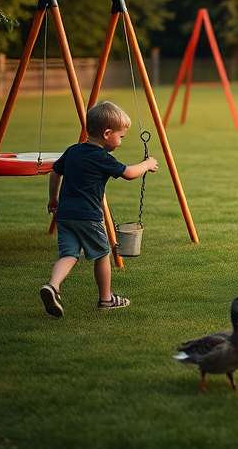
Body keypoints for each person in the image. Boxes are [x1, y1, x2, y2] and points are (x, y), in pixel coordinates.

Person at [39, 101, 159, 318]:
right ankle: (106, 299)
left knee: (69, 254)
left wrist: (53, 199)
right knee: (102, 253)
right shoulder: (103, 158)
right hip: (88, 217)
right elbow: (129, 173)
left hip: (65, 215)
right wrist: (147, 164)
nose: (121, 140)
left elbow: (55, 171)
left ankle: (53, 287)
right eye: (121, 136)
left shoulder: (73, 151)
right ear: (107, 133)